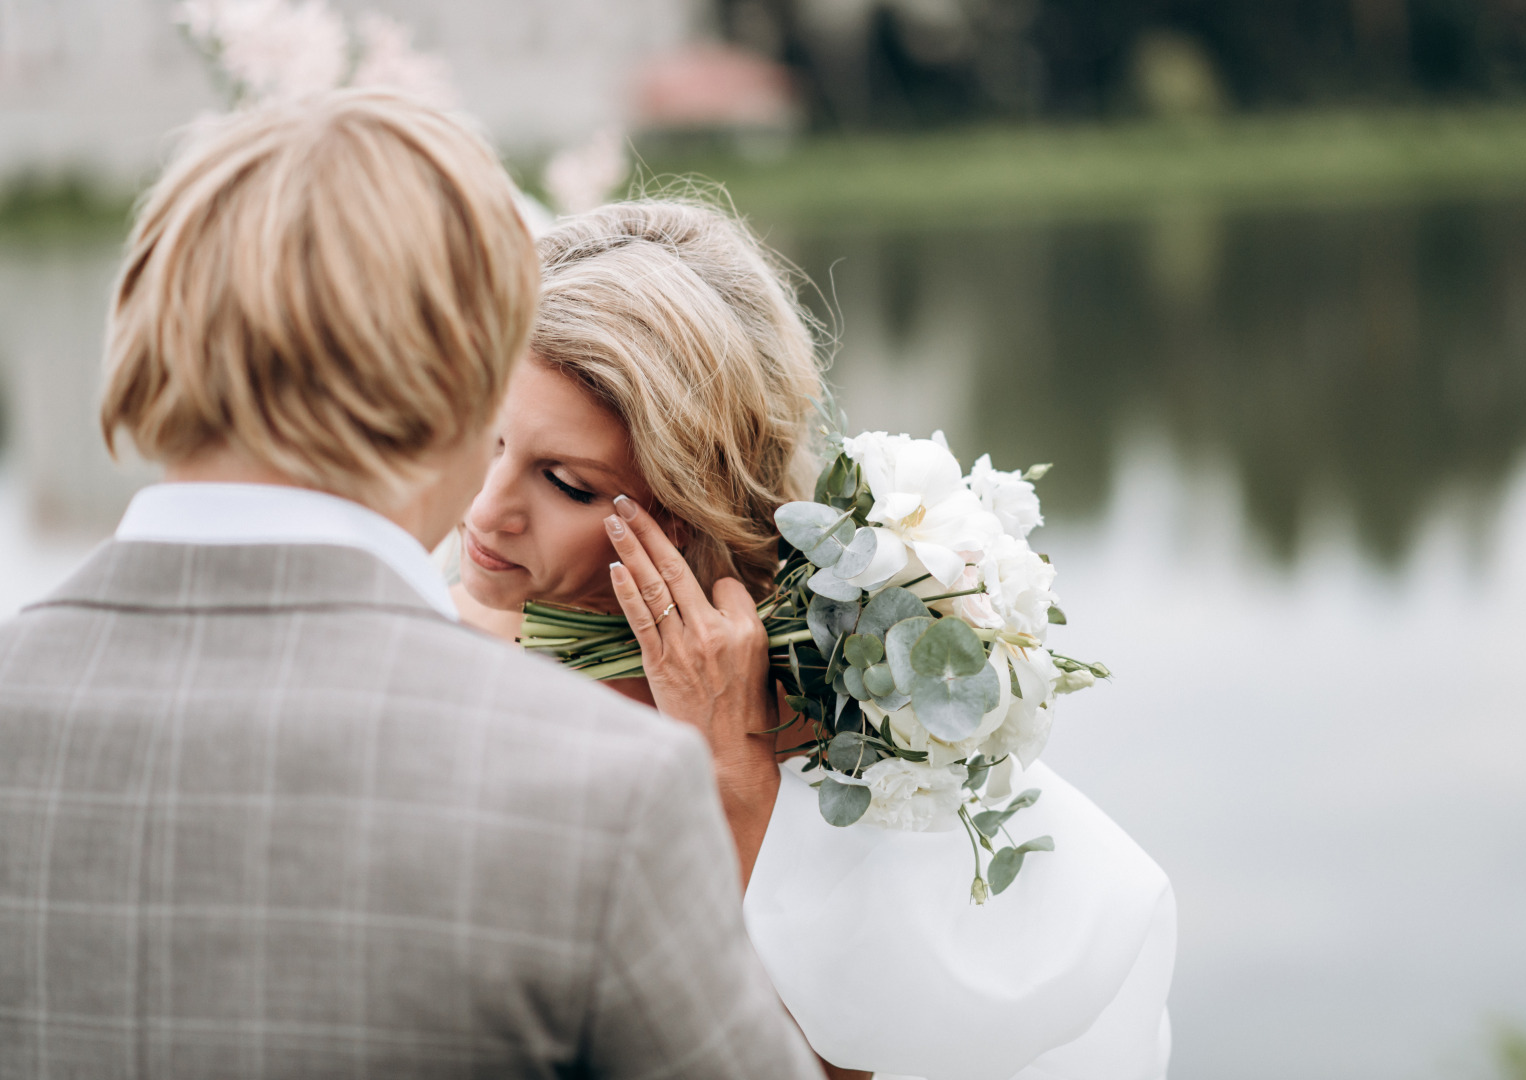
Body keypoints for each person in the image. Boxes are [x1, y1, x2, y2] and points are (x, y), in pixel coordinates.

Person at [0, 92, 823, 1080]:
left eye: (563, 478)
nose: (496, 500)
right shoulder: (602, 790)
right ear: (461, 380)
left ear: (141, 310)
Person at [452, 198, 1177, 1080]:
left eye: (564, 482)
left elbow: (829, 1062)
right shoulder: (415, 622)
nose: (488, 509)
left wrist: (729, 774)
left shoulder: (812, 727)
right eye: (484, 434)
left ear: (683, 509)